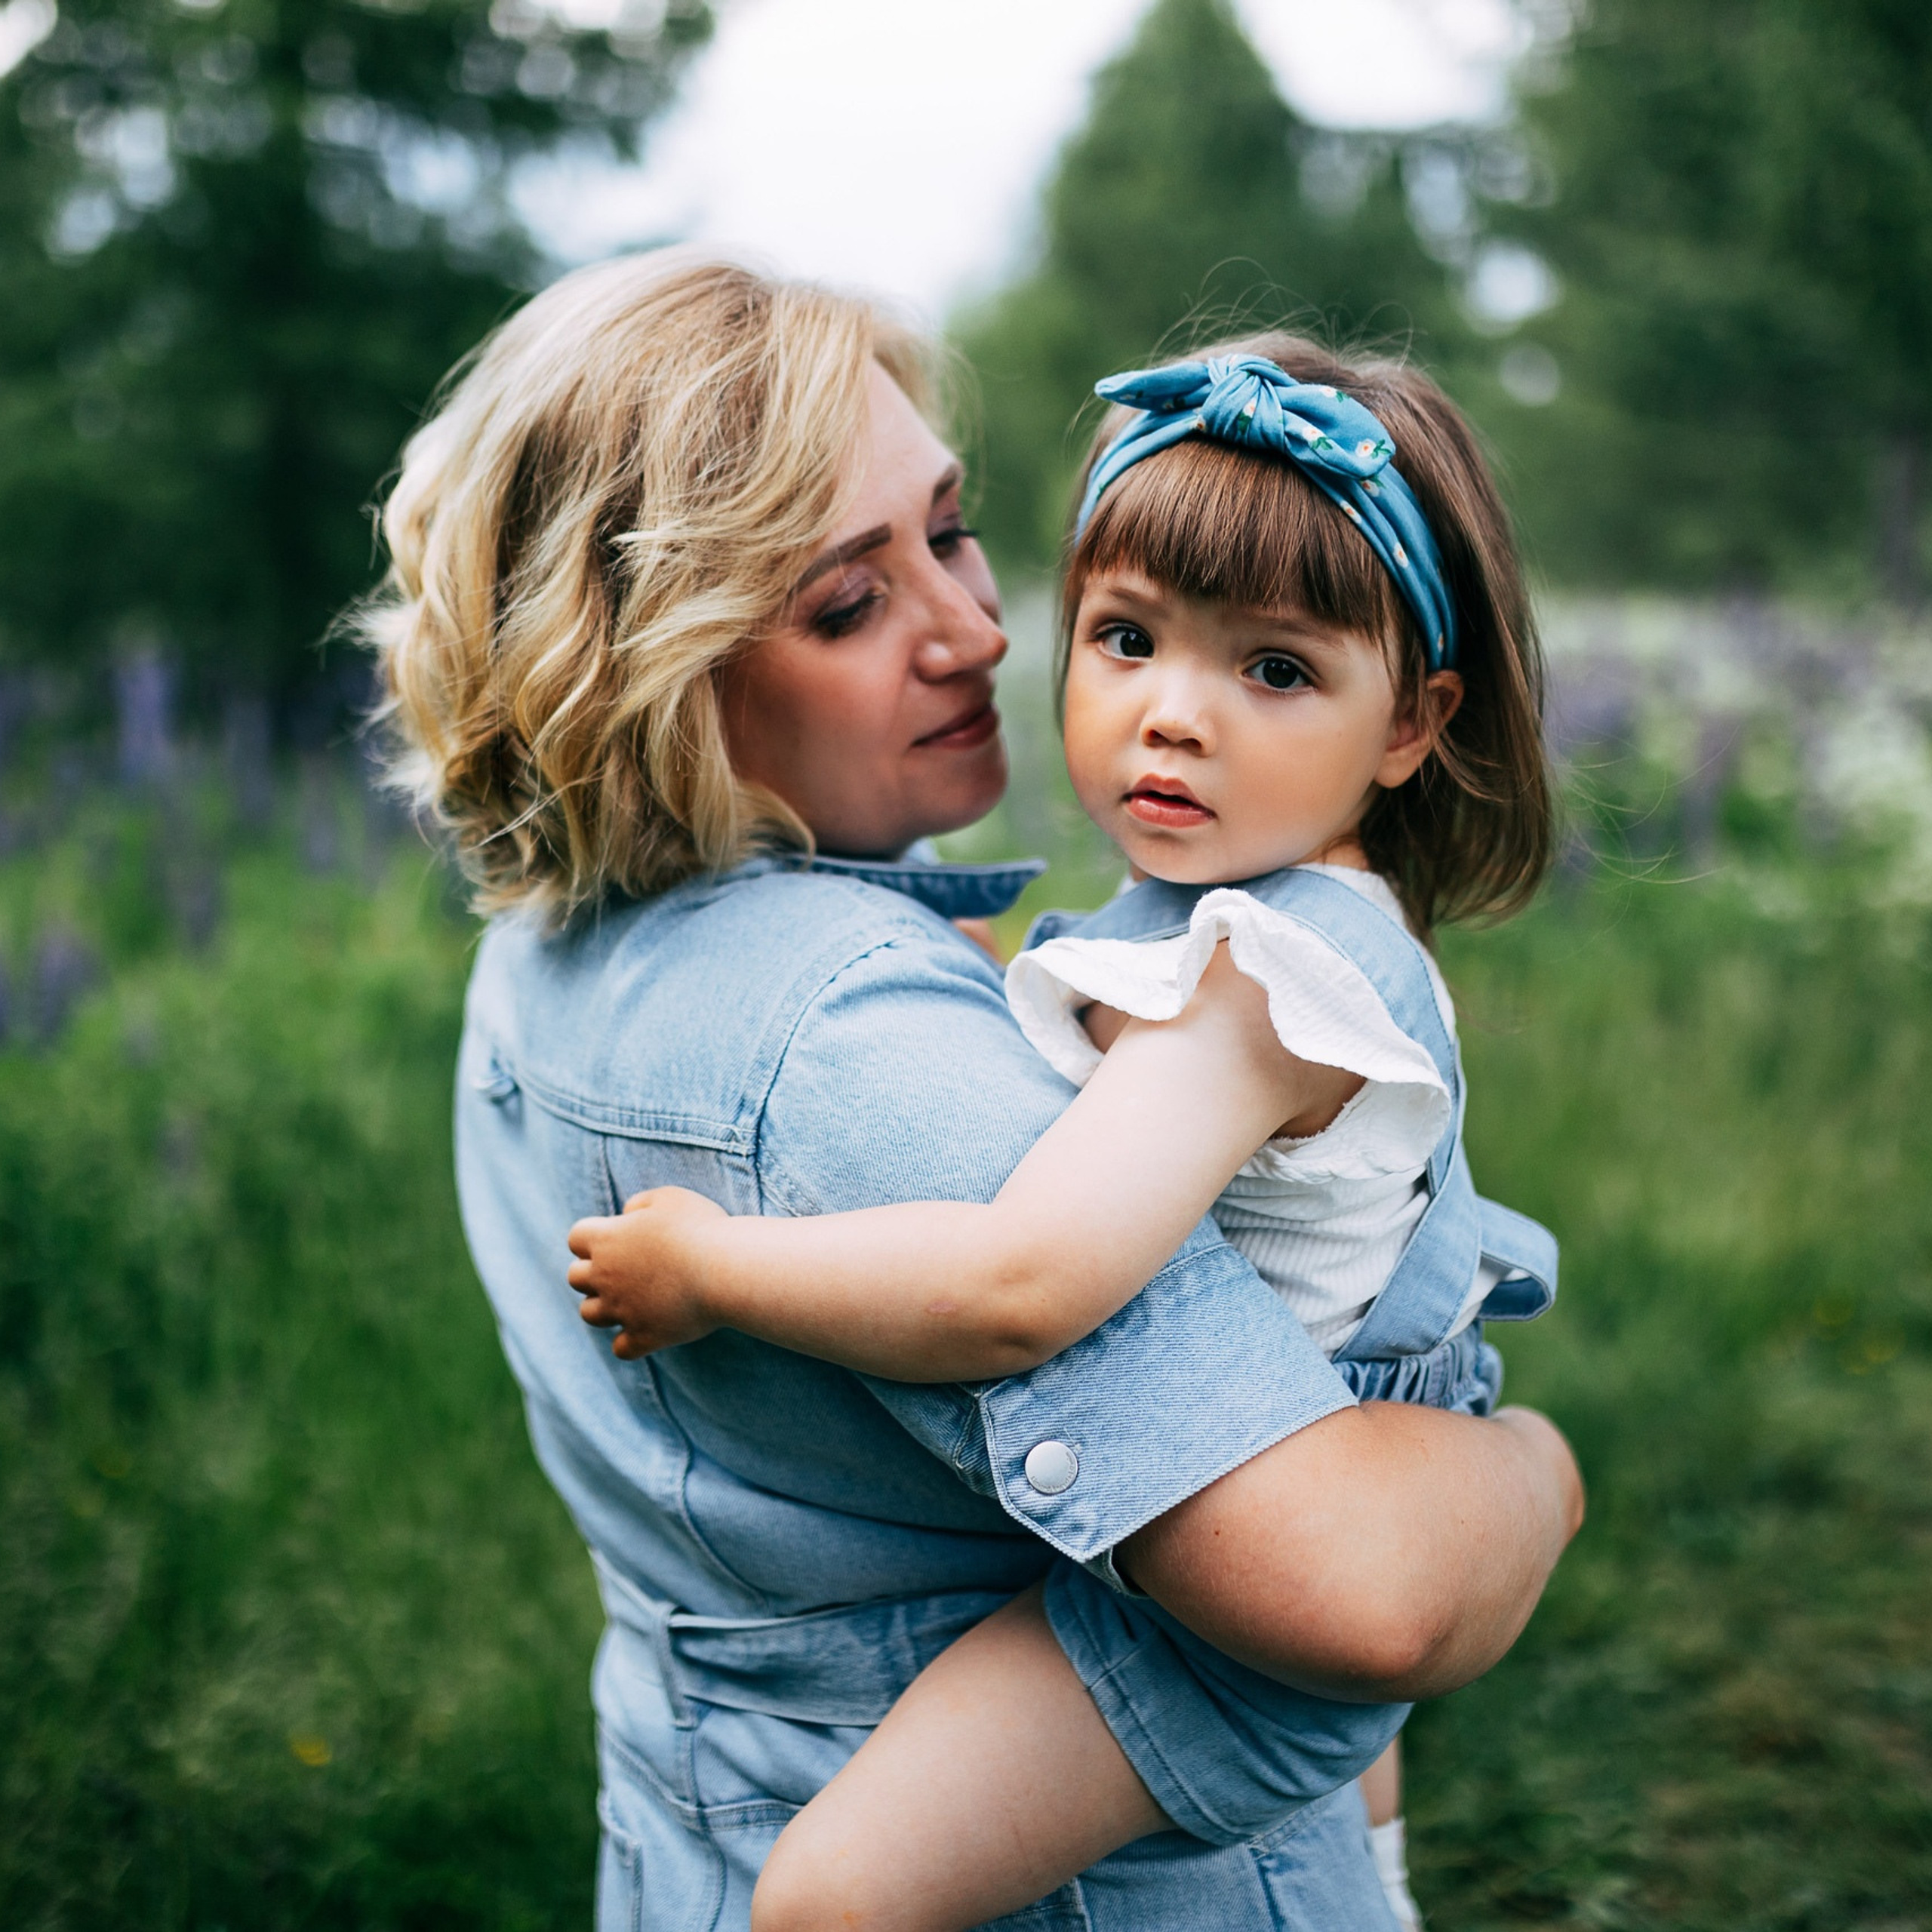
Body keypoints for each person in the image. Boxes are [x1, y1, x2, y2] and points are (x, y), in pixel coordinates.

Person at [365, 249, 1583, 1931]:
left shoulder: (551, 947)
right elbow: (1360, 1585)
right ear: (651, 671)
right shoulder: (848, 1040)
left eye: (945, 527)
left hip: (685, 1815)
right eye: (847, 602)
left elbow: (1029, 1276)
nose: (973, 627)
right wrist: (1537, 1467)